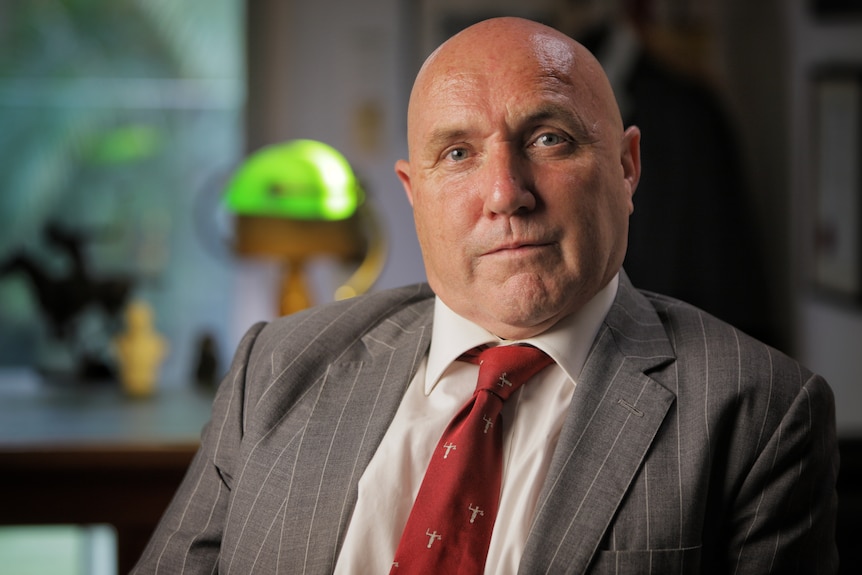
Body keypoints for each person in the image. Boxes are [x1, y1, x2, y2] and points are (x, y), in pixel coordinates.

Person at [132, 17, 838, 574]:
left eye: (551, 138)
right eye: (459, 154)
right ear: (414, 193)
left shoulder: (760, 412)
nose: (506, 193)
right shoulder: (276, 367)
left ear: (627, 168)